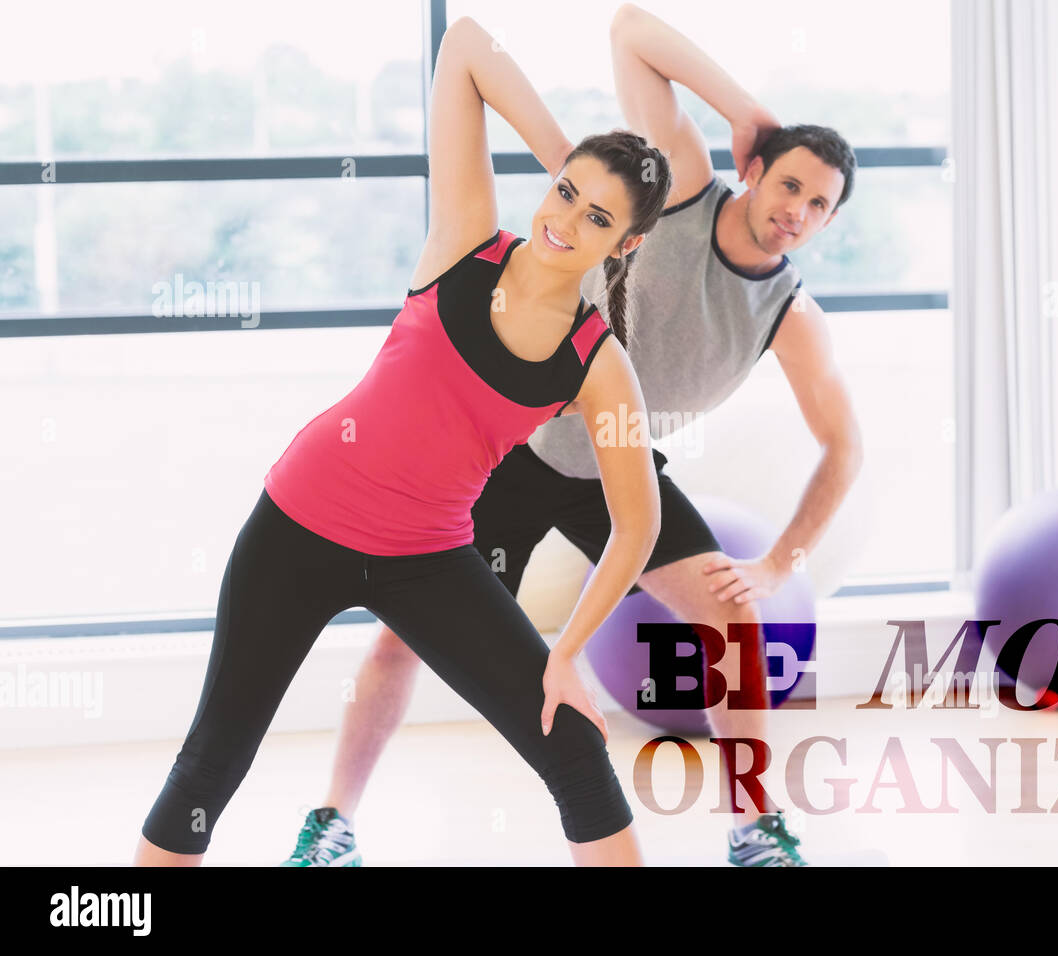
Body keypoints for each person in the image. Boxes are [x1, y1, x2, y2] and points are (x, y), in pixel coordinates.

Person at [284, 3, 863, 868]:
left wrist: (778, 565)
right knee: (401, 635)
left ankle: (755, 826)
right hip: (510, 454)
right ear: (755, 172)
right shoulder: (683, 192)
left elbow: (844, 446)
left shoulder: (791, 315)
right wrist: (745, 108)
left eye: (821, 204)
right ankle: (331, 824)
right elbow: (632, 29)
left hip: (615, 472)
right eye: (790, 185)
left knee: (734, 624)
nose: (799, 211)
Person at [133, 15, 672, 867]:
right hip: (299, 526)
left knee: (572, 746)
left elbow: (636, 524)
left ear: (629, 243)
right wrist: (580, 157)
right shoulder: (465, 239)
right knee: (212, 766)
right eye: (566, 192)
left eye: (600, 217)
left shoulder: (597, 365)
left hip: (428, 555)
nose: (567, 219)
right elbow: (464, 45)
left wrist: (566, 651)